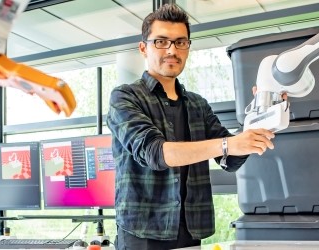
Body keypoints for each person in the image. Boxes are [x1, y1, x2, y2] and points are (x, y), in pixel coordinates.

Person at [106, 4, 278, 250]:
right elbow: (155, 153)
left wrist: (261, 118)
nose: (172, 50)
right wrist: (228, 143)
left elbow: (230, 160)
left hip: (190, 230)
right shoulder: (125, 97)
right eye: (161, 42)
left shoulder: (197, 104)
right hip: (143, 232)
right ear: (144, 48)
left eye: (180, 42)